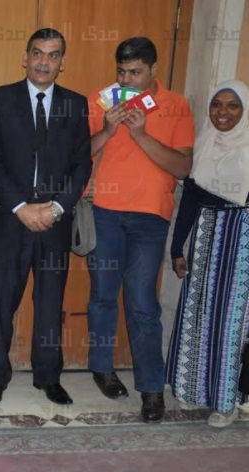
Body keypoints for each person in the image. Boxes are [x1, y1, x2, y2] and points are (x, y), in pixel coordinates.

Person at [85, 37, 195, 423]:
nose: (127, 80)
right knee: (102, 295)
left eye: (135, 72)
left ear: (153, 69)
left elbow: (182, 168)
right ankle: (102, 369)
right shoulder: (101, 102)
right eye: (121, 72)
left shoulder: (177, 105)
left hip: (150, 218)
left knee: (142, 302)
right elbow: (78, 155)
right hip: (104, 213)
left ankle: (151, 388)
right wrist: (108, 130)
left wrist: (141, 135)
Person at [0, 28, 91, 406]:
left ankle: (48, 376)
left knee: (49, 304)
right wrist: (20, 207)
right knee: (1, 304)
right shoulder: (0, 98)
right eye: (38, 53)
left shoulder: (75, 104)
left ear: (62, 62)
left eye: (53, 55)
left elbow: (82, 164)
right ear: (25, 57)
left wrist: (57, 208)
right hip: (10, 220)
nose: (44, 61)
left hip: (54, 223)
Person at [166, 80, 249, 428]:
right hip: (205, 240)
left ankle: (226, 402)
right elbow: (189, 201)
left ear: (244, 111)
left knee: (232, 323)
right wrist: (177, 249)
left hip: (242, 243)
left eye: (232, 105)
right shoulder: (203, 144)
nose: (222, 112)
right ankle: (195, 389)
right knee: (197, 315)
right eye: (216, 105)